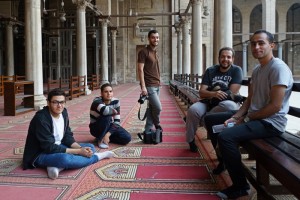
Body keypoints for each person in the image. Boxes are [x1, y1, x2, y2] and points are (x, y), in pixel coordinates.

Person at [204, 29, 293, 199]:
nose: (256, 47)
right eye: (253, 43)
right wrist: (237, 116)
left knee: (226, 137)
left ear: (272, 45)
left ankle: (240, 186)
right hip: (255, 117)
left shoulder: (278, 68)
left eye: (261, 43)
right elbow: (249, 100)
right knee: (210, 119)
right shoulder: (258, 69)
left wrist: (245, 118)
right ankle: (224, 159)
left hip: (271, 123)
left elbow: (275, 106)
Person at [23, 88, 114, 179]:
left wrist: (81, 149)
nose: (59, 106)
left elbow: (67, 136)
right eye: (55, 102)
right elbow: (48, 147)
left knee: (90, 147)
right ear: (48, 103)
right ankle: (97, 157)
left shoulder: (64, 113)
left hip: (59, 146)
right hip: (40, 153)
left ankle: (56, 167)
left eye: (62, 102)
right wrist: (79, 151)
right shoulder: (41, 119)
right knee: (65, 159)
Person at [186, 47, 243, 153]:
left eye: (228, 57)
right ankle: (190, 140)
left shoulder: (236, 70)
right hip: (209, 102)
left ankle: (205, 119)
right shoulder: (211, 70)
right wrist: (214, 94)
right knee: (193, 110)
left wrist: (211, 95)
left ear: (233, 59)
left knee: (229, 106)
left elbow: (231, 93)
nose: (225, 59)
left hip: (226, 103)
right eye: (223, 56)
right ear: (218, 58)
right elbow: (202, 92)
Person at [137, 29, 163, 144]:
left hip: (157, 84)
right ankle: (157, 124)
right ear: (149, 38)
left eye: (157, 37)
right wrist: (143, 87)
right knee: (158, 107)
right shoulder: (144, 52)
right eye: (153, 37)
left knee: (152, 108)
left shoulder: (155, 52)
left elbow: (155, 68)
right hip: (149, 86)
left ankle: (147, 130)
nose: (155, 39)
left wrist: (159, 79)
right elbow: (140, 69)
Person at [89, 83, 131, 149]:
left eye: (110, 91)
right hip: (96, 128)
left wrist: (108, 134)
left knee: (127, 138)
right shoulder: (96, 101)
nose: (109, 94)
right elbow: (105, 111)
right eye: (106, 92)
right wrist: (114, 111)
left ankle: (105, 137)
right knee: (107, 117)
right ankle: (100, 139)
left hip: (109, 125)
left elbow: (117, 122)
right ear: (101, 93)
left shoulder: (116, 101)